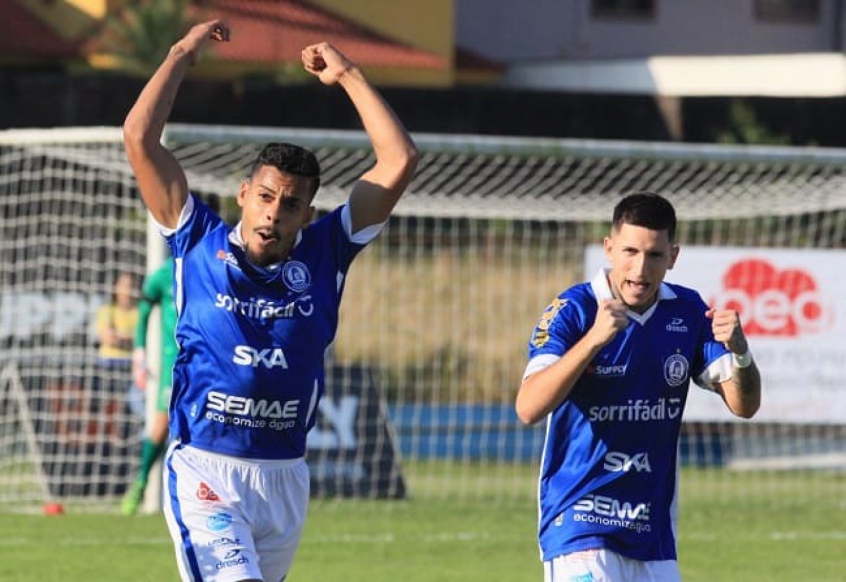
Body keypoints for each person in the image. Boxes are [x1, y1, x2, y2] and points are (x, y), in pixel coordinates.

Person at [122, 19, 417, 582]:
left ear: (307, 213)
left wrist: (349, 74)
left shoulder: (327, 252)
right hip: (206, 466)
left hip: (284, 475)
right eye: (264, 197)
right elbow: (139, 138)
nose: (273, 213)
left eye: (289, 204)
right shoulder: (196, 238)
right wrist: (182, 52)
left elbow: (399, 159)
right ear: (243, 195)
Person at [515, 192, 761, 582]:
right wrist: (594, 339)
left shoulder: (689, 311)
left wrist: (742, 353)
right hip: (581, 521)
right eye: (630, 251)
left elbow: (743, 405)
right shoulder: (574, 310)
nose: (640, 268)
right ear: (609, 248)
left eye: (654, 255)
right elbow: (528, 407)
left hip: (652, 530)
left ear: (673, 257)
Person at [121, 256, 177, 516]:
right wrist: (139, 352)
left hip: (208, 361)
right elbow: (144, 310)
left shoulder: (214, 264)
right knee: (160, 424)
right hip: (174, 361)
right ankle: (141, 481)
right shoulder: (164, 274)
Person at [95, 271, 139, 384]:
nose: (127, 291)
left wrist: (118, 335)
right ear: (116, 288)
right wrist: (131, 337)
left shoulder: (139, 312)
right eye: (123, 286)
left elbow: (143, 339)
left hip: (132, 364)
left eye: (130, 286)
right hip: (109, 362)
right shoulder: (108, 310)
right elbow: (107, 338)